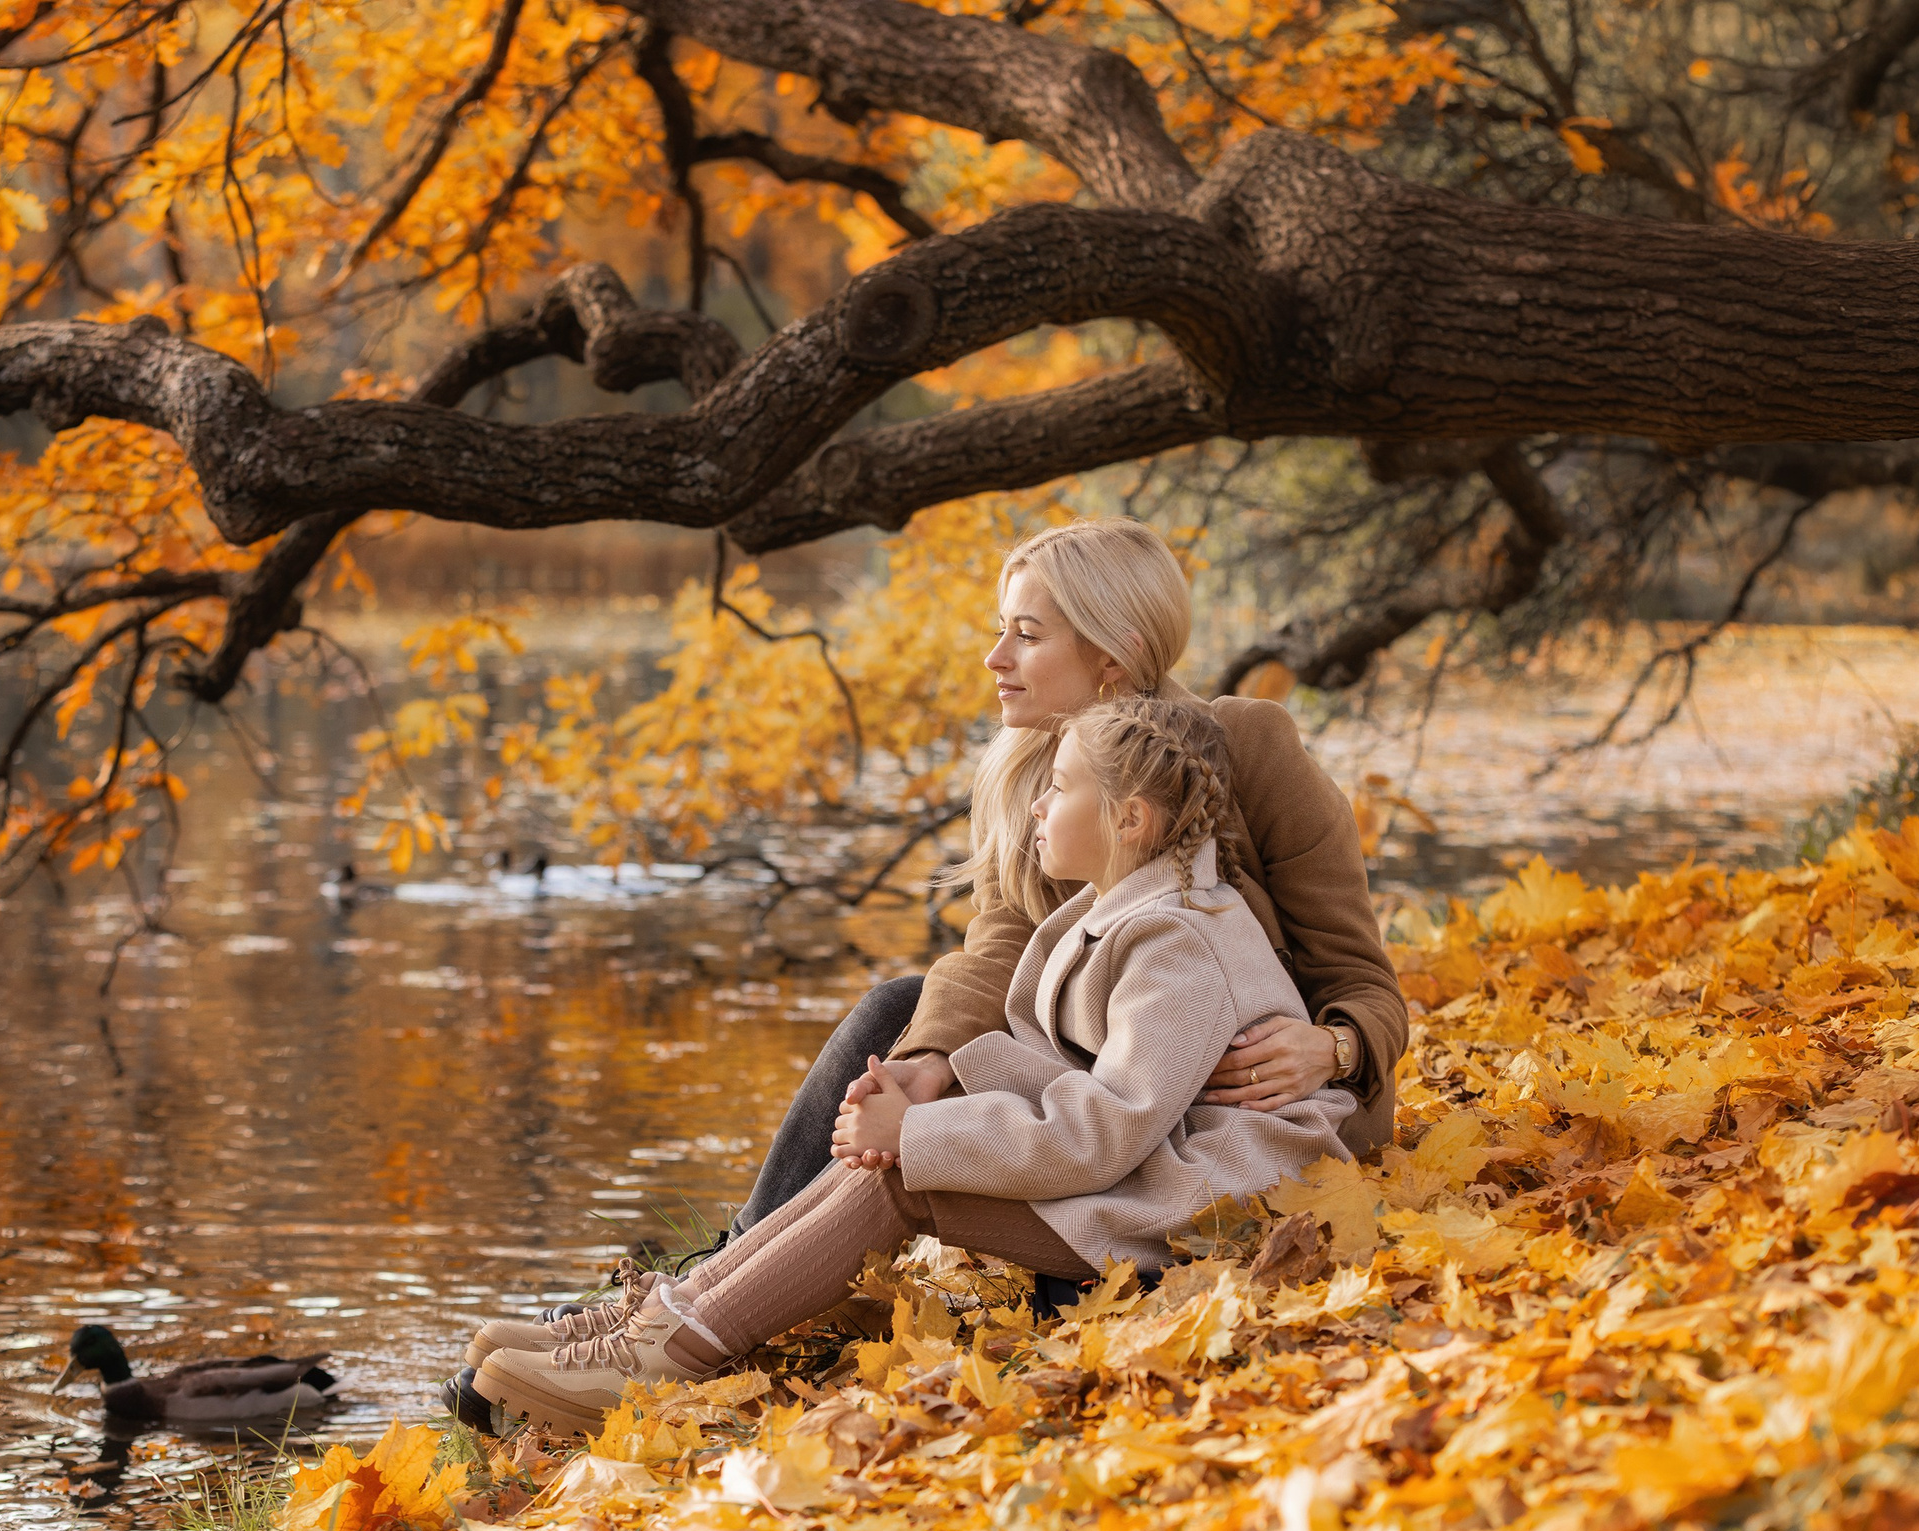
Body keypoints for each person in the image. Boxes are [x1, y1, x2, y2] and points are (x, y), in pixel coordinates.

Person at [469, 697, 1357, 1433]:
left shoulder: (1177, 942)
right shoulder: (1131, 905)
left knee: (902, 1174)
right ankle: (663, 1315)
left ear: (1129, 820)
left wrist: (922, 1131)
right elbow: (1085, 1082)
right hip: (1170, 1159)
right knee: (899, 1143)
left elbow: (1106, 1130)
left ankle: (669, 1359)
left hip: (1218, 1200)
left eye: (1058, 790)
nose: (1039, 809)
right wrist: (929, 1084)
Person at [729, 516, 1404, 1236]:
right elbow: (997, 948)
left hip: (1251, 1130)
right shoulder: (1030, 782)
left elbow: (1365, 982)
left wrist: (1334, 1048)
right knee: (898, 1012)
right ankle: (728, 1265)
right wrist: (926, 1062)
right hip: (1109, 1086)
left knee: (912, 1050)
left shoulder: (1248, 746)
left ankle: (721, 1292)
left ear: (1112, 655)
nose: (994, 657)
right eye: (1001, 629)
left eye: (1026, 633)